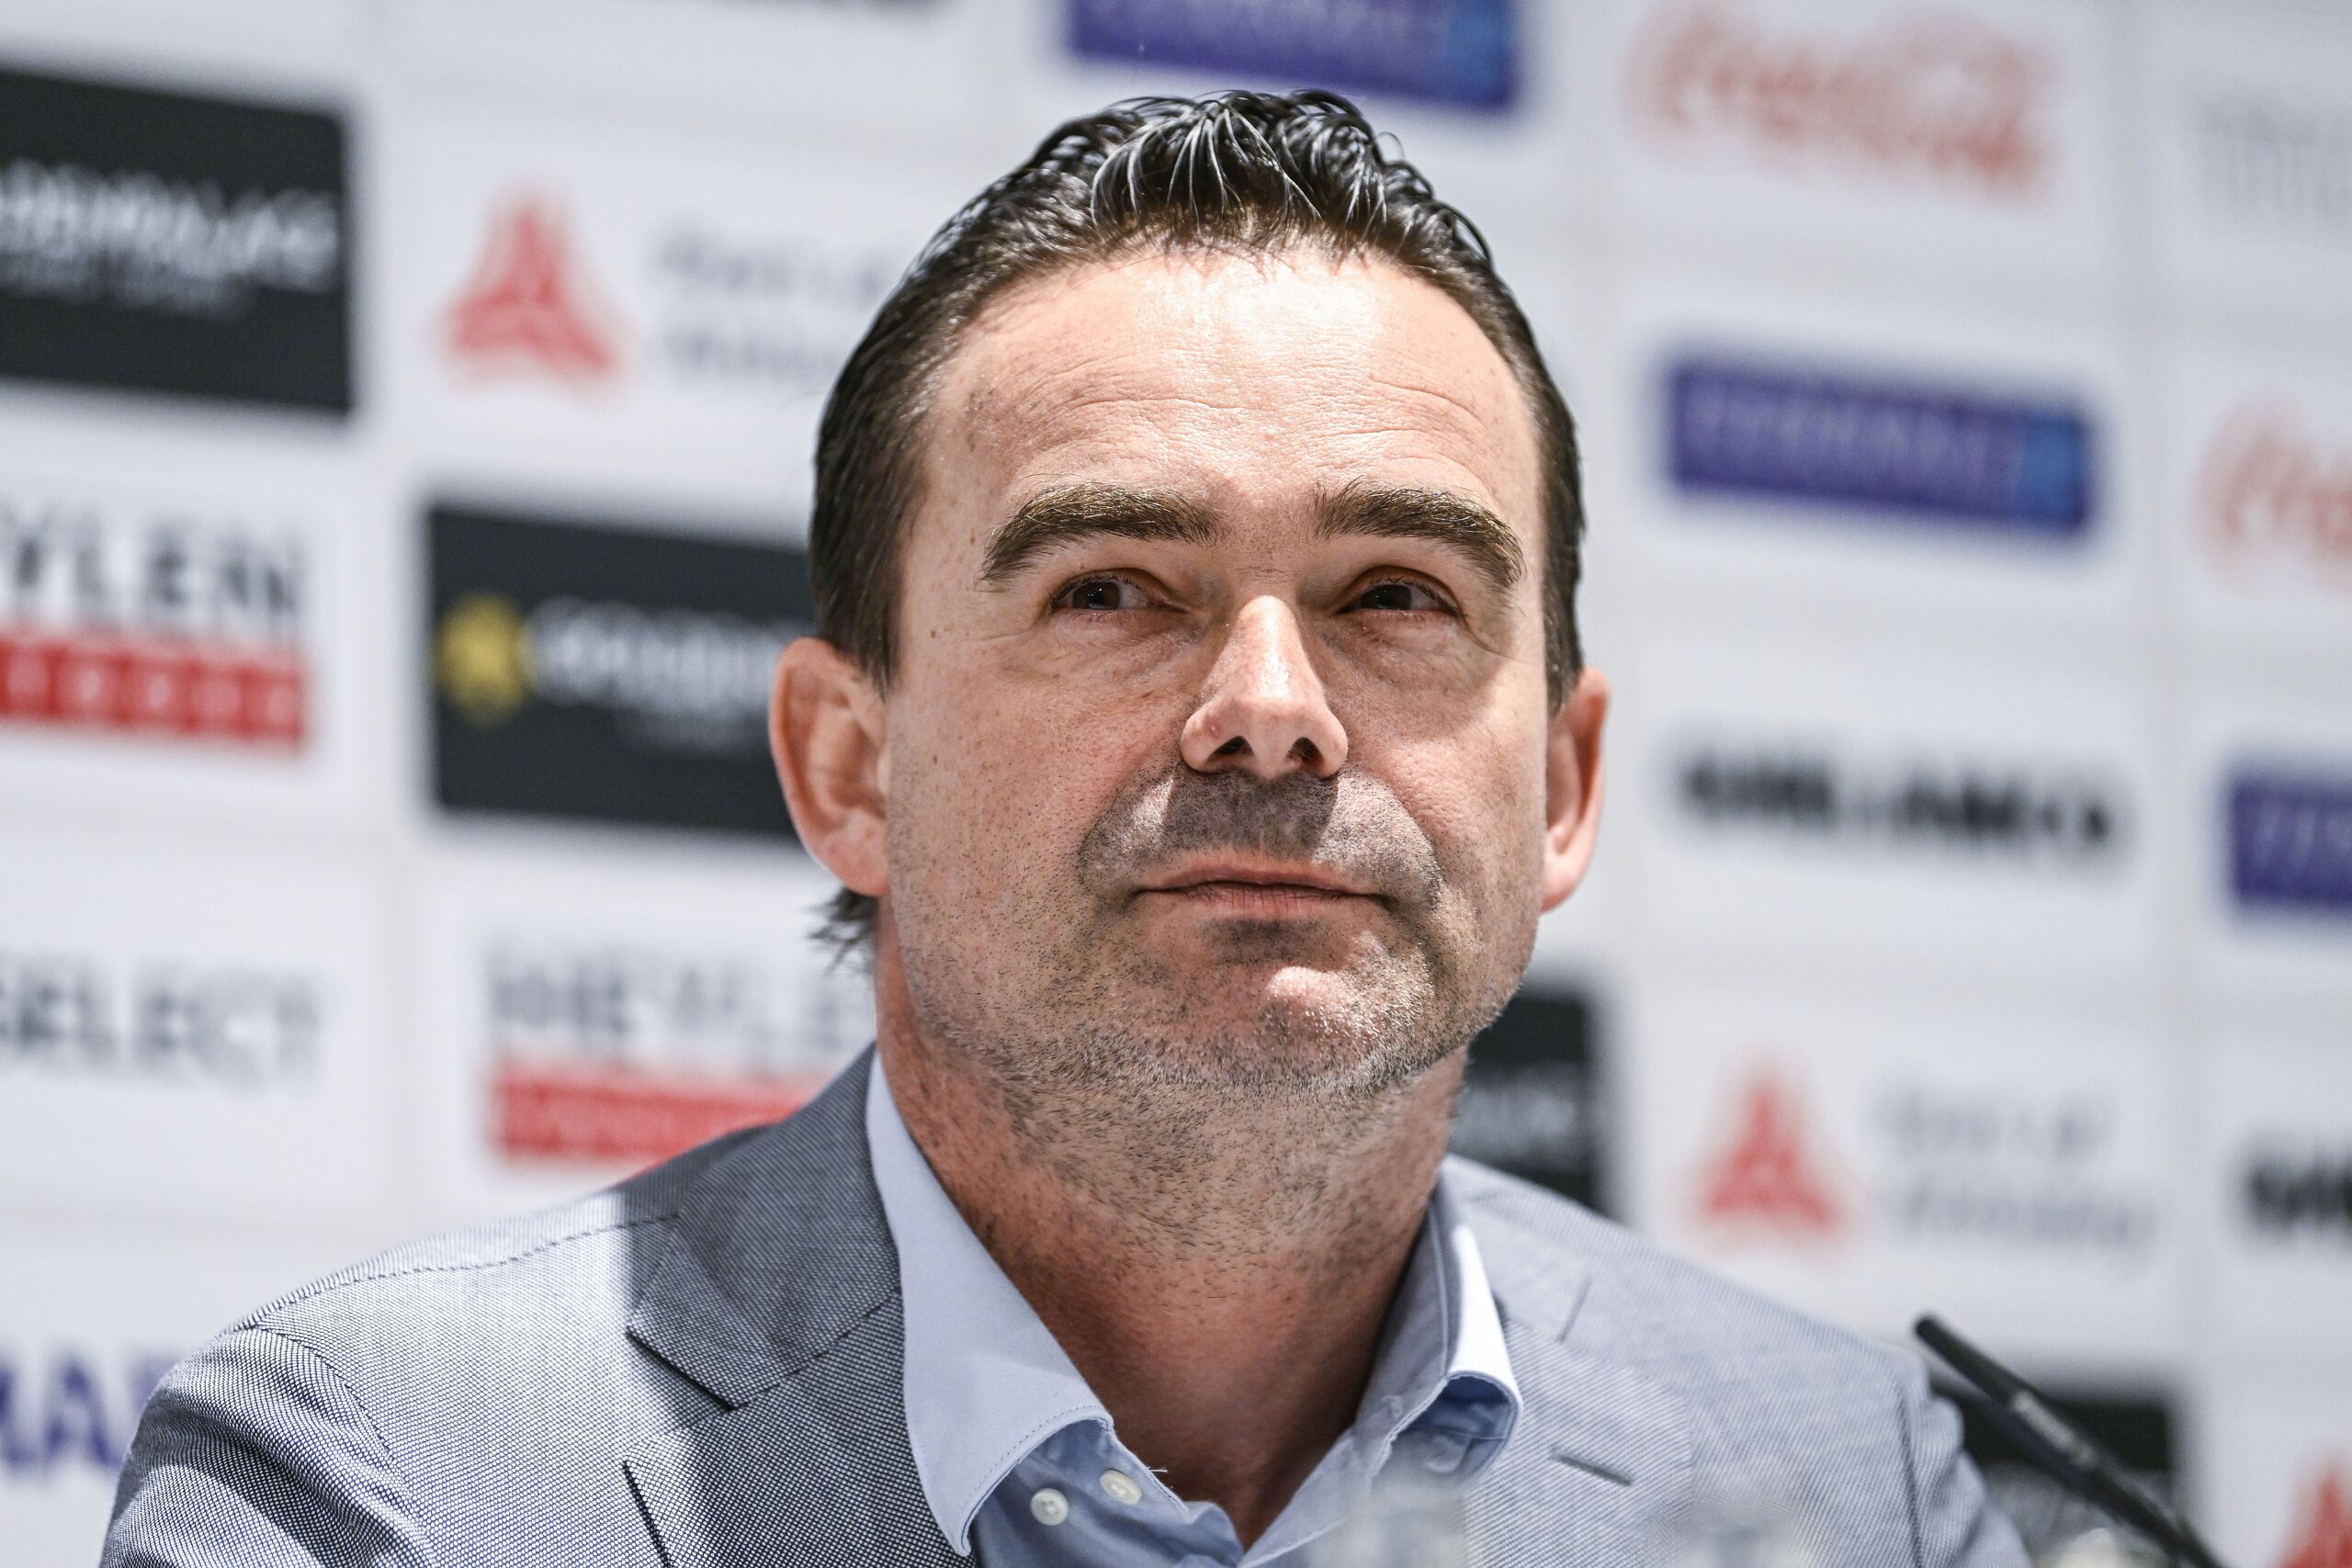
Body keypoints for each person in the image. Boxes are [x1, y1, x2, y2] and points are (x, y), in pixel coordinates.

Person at [104, 92, 2024, 1567]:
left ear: (1565, 789)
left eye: (1395, 593)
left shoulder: (1854, 1483)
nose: (1271, 703)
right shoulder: (389, 1482)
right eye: (1111, 587)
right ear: (847, 768)